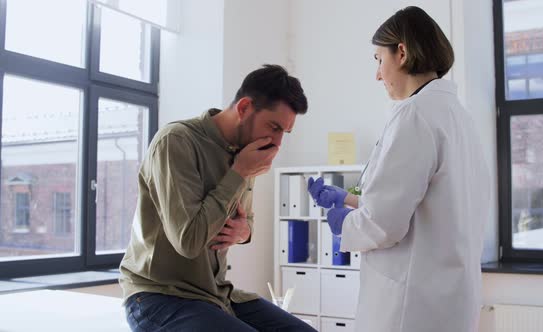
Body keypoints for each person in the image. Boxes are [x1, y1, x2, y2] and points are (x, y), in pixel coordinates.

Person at [308, 7, 491, 332]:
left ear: (402, 52)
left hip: (411, 305)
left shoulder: (414, 116)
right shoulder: (458, 116)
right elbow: (428, 206)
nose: (378, 74)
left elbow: (384, 224)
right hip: (450, 300)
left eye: (379, 59)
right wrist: (351, 200)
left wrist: (343, 223)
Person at [120, 64, 316, 331]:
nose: (277, 143)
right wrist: (239, 172)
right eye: (273, 127)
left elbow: (247, 224)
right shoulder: (176, 141)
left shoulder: (246, 152)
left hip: (217, 294)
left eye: (284, 132)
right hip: (158, 296)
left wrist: (244, 231)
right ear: (245, 107)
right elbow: (188, 241)